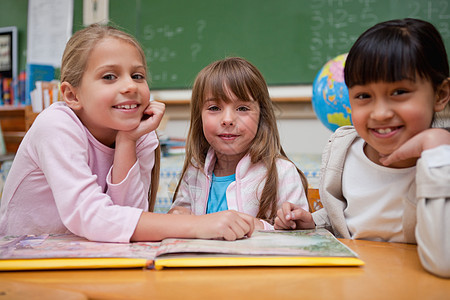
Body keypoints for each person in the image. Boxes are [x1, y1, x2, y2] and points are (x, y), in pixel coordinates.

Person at [0, 24, 255, 243]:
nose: (130, 85)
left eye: (137, 75)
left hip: (85, 253)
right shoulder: (55, 126)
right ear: (72, 95)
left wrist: (127, 142)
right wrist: (199, 225)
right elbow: (89, 215)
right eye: (110, 76)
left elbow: (128, 220)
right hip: (22, 257)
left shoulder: (140, 134)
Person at [275, 18, 450, 277]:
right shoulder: (345, 151)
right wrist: (314, 221)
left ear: (440, 95)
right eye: (363, 96)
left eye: (399, 92)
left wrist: (437, 152)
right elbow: (354, 219)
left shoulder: (442, 165)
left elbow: (443, 262)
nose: (379, 113)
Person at [169, 57, 309, 229]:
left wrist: (265, 226)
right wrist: (176, 216)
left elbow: (300, 239)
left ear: (261, 116)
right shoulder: (193, 172)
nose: (228, 120)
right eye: (214, 108)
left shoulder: (282, 173)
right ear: (200, 117)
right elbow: (178, 222)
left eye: (242, 108)